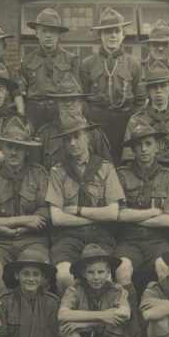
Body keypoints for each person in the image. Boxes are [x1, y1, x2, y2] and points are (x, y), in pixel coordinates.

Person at [114, 121, 169, 337]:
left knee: (165, 267)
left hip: (157, 241)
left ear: (157, 147)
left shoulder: (168, 177)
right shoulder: (121, 175)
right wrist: (153, 213)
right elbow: (118, 215)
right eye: (138, 145)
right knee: (122, 268)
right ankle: (133, 334)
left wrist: (136, 217)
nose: (143, 149)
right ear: (132, 149)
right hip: (129, 241)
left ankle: (164, 326)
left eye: (148, 144)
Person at [45, 115, 125, 295]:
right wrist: (95, 217)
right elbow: (57, 219)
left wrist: (77, 211)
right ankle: (68, 318)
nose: (72, 143)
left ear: (88, 137)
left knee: (105, 277)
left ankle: (106, 319)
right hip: (67, 238)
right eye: (67, 139)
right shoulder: (58, 172)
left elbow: (113, 213)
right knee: (64, 275)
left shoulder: (105, 169)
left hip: (100, 236)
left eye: (77, 137)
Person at [0, 118, 50, 301]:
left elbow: (43, 215)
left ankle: (38, 313)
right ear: (2, 149)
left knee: (40, 270)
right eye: (9, 147)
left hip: (32, 239)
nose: (13, 152)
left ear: (26, 151)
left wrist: (19, 230)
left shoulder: (39, 174)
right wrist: (25, 220)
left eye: (19, 148)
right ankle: (1, 310)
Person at [80, 6, 146, 153]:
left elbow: (140, 100)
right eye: (108, 32)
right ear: (100, 35)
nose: (113, 36)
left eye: (117, 31)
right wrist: (90, 118)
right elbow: (82, 97)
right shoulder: (88, 63)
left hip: (125, 122)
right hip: (97, 121)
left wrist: (131, 122)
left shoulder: (133, 63)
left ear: (124, 34)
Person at [120, 60, 169, 170]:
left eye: (163, 86)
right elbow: (128, 159)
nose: (158, 91)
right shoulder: (136, 120)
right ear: (148, 90)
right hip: (145, 174)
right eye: (154, 87)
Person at [33, 73, 112, 170]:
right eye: (64, 101)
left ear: (80, 104)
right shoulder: (44, 135)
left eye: (73, 100)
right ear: (57, 104)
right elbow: (36, 173)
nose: (68, 105)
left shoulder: (95, 134)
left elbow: (108, 169)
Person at [18, 7, 80, 129]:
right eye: (44, 31)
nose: (48, 35)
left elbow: (77, 94)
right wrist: (24, 120)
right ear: (36, 33)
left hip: (60, 113)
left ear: (59, 34)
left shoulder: (71, 60)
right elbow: (21, 94)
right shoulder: (26, 62)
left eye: (52, 31)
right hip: (34, 115)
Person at [142, 19, 169, 112]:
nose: (160, 48)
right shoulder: (141, 69)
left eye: (164, 44)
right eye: (156, 44)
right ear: (149, 46)